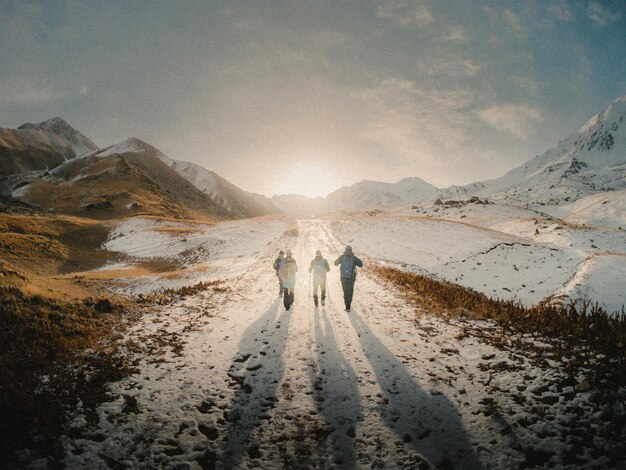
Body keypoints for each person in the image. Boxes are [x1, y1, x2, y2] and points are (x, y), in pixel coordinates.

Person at [334, 245, 363, 312]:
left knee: (345, 292)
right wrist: (356, 258)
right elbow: (361, 265)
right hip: (351, 278)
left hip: (343, 277)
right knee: (350, 291)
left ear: (345, 250)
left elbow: (335, 263)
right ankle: (349, 305)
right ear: (351, 250)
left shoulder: (342, 257)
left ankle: (347, 307)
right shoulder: (353, 257)